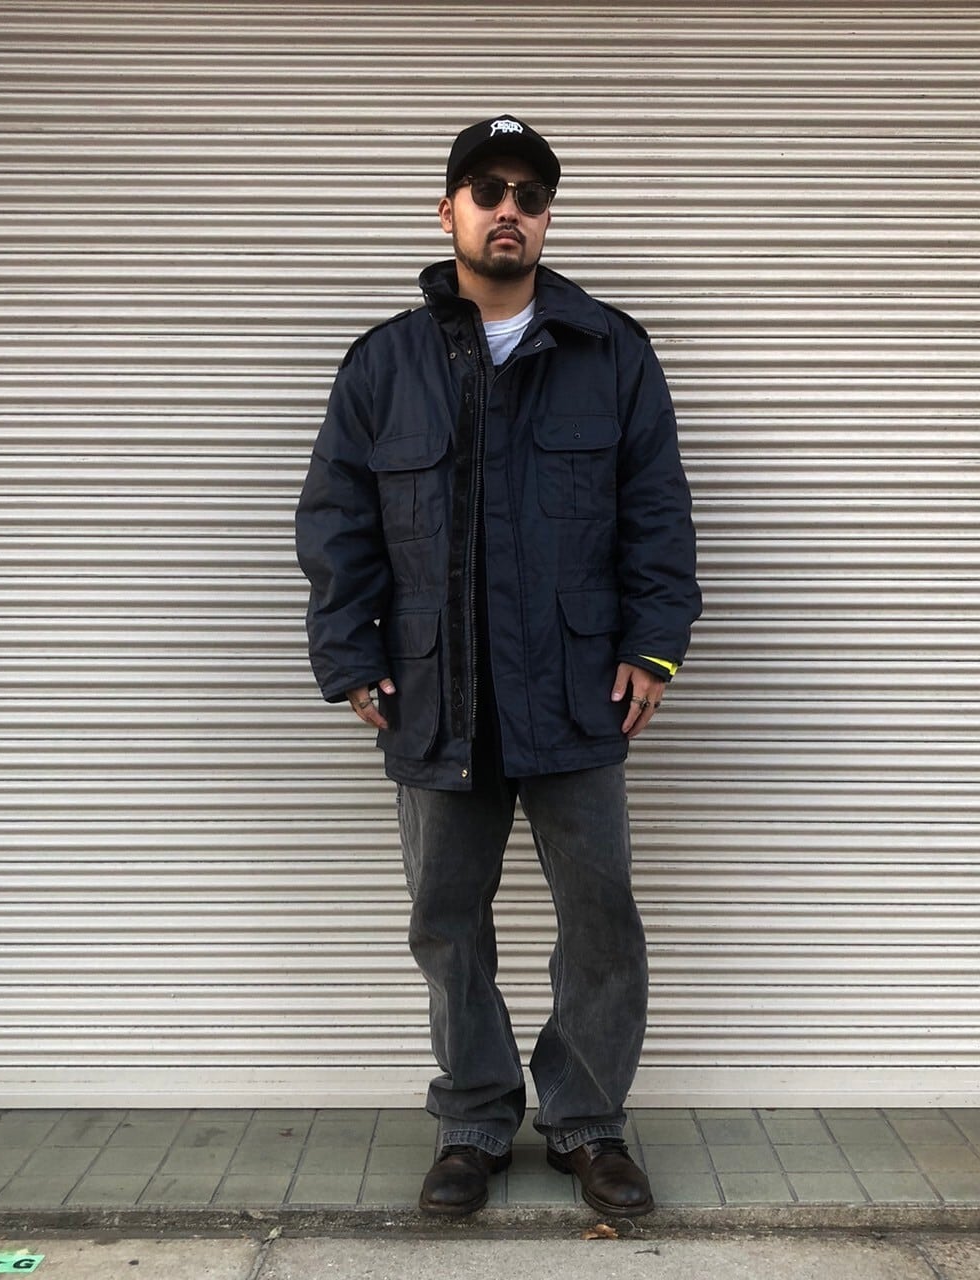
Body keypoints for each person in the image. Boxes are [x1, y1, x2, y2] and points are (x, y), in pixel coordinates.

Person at [295, 114, 701, 1218]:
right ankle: (473, 1120)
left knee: (600, 915)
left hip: (576, 689)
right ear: (448, 212)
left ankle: (586, 1120)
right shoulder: (385, 362)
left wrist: (653, 645)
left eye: (529, 193)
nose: (508, 209)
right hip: (436, 691)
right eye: (487, 190)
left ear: (547, 217)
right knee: (446, 918)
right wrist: (351, 654)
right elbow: (336, 522)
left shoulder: (611, 352)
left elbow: (657, 513)